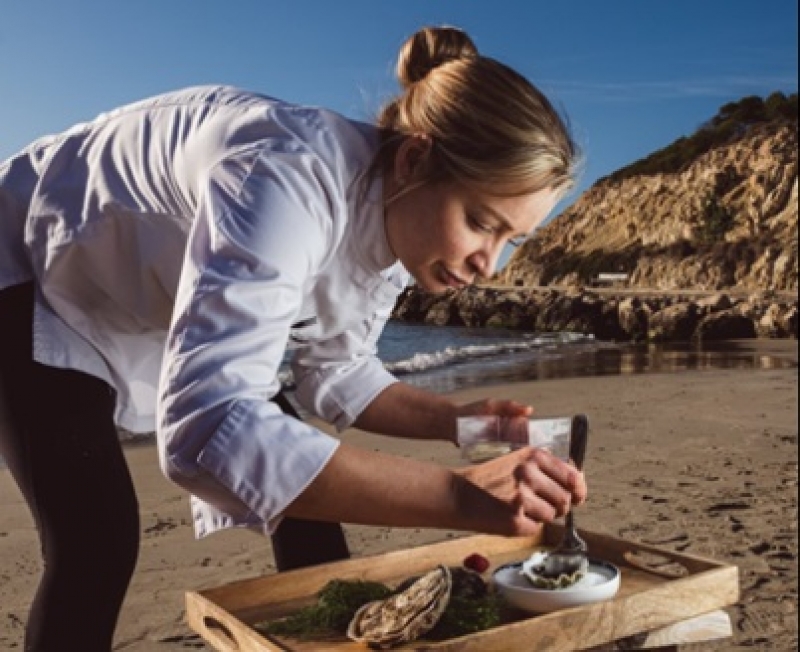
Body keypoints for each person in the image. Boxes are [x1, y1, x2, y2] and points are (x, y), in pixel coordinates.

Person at [0, 25, 586, 651]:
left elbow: (338, 372)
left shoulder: (397, 221)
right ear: (414, 160)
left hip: (147, 296)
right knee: (98, 537)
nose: (487, 265)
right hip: (36, 267)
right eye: (479, 223)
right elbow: (207, 431)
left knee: (309, 497)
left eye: (511, 241)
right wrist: (461, 496)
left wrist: (465, 423)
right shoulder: (286, 177)